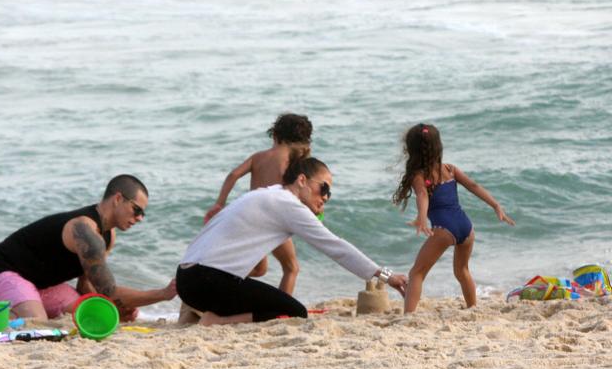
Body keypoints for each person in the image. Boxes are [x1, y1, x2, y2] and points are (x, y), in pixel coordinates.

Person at [177, 157, 407, 326]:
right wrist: (386, 276)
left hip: (188, 279)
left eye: (330, 193)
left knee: (278, 303)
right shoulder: (288, 204)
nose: (325, 197)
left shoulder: (268, 194)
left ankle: (202, 312)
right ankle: (216, 321)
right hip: (206, 282)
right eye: (323, 188)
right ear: (302, 180)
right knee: (293, 310)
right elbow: (336, 247)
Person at [0, 174, 177, 321]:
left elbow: (86, 287)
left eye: (143, 213)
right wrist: (162, 294)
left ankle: (21, 306)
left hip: (42, 286)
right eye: (137, 210)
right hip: (1, 274)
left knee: (94, 316)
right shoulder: (84, 230)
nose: (140, 218)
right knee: (37, 324)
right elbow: (109, 290)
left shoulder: (108, 236)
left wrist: (114, 309)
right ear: (118, 199)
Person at [392, 123, 515, 313]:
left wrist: (421, 218)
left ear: (411, 149)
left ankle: (408, 315)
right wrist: (495, 205)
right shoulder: (450, 169)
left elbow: (423, 196)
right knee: (462, 271)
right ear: (438, 146)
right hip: (466, 227)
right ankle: (473, 308)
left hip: (444, 230)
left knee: (417, 272)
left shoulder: (419, 176)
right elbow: (473, 185)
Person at [203, 113, 313, 295]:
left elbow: (233, 175)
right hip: (273, 220)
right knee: (291, 268)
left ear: (275, 135)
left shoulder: (258, 157)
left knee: (259, 269)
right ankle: (282, 308)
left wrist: (219, 204)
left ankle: (216, 282)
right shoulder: (294, 163)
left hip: (250, 217)